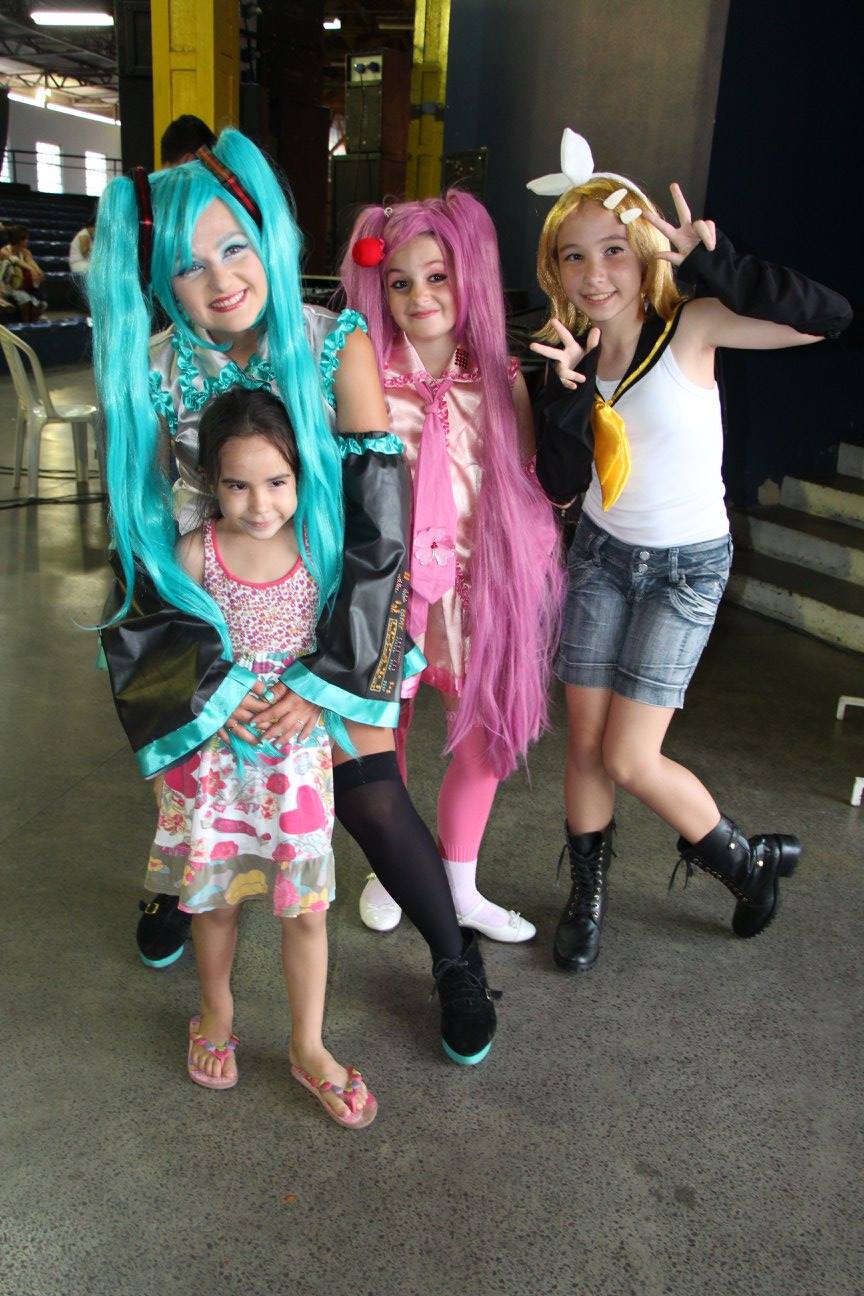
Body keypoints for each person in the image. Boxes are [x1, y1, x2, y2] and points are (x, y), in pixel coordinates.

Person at [89, 128, 498, 1066]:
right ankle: (179, 886)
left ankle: (455, 960)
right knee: (189, 778)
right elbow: (144, 551)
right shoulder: (151, 369)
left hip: (327, 619)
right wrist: (216, 686)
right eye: (188, 265)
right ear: (158, 276)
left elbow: (378, 531)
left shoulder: (331, 342)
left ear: (266, 235)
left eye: (234, 246)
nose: (221, 279)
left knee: (372, 795)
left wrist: (322, 678)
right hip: (209, 622)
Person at [527, 129, 852, 972]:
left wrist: (720, 266)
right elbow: (560, 484)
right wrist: (562, 400)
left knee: (630, 757)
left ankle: (745, 862)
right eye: (573, 256)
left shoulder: (692, 327)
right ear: (554, 268)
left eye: (612, 250)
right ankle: (587, 896)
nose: (594, 274)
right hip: (601, 557)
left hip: (685, 569)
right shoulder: (568, 357)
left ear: (643, 252)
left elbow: (828, 319)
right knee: (586, 745)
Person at [146, 385, 376, 1123]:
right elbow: (170, 653)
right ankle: (215, 1011)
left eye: (277, 482)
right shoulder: (196, 552)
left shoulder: (322, 548)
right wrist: (214, 695)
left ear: (301, 475)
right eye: (237, 485)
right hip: (215, 764)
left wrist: (315, 696)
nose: (259, 504)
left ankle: (309, 1044)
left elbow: (349, 644)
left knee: (305, 910)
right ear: (210, 481)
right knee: (216, 902)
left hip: (295, 765)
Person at [340, 192, 562, 942]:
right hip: (388, 595)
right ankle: (393, 869)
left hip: (476, 592)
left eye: (437, 277)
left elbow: (525, 484)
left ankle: (461, 883)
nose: (420, 297)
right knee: (384, 736)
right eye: (399, 282)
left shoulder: (501, 377)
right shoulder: (364, 377)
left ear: (469, 278)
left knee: (484, 739)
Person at [0, 224, 46, 322]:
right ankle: (25, 324)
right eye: (26, 239)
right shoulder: (4, 251)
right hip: (5, 285)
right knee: (25, 300)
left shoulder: (26, 252)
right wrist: (31, 270)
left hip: (19, 285)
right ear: (19, 240)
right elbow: (15, 260)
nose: (27, 241)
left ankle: (33, 323)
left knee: (40, 303)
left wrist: (38, 271)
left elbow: (31, 262)